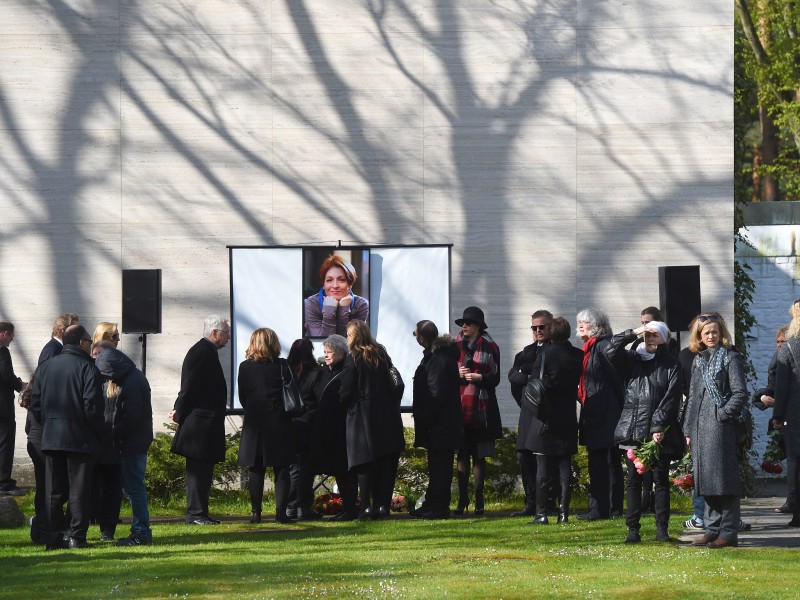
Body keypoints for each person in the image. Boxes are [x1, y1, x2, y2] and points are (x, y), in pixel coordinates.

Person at [30, 324, 105, 549]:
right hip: (80, 439)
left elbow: (36, 404)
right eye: (89, 342)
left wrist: (50, 425)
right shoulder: (88, 368)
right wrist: (98, 432)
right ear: (82, 342)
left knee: (53, 491)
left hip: (52, 438)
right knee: (79, 490)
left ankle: (52, 537)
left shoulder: (46, 367)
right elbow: (92, 407)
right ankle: (76, 537)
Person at [611, 321, 682, 543]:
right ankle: (633, 530)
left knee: (660, 481)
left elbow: (671, 399)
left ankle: (662, 529)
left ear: (664, 339)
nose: (650, 339)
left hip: (659, 432)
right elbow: (609, 349)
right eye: (647, 336)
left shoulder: (672, 365)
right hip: (633, 430)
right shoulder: (632, 360)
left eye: (655, 336)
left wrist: (658, 426)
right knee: (633, 480)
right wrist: (633, 333)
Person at [684, 312, 750, 548]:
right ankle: (712, 529)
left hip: (722, 429)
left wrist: (722, 415)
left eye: (714, 331)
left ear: (721, 333)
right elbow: (692, 397)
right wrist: (688, 429)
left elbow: (740, 393)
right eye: (706, 332)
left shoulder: (731, 358)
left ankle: (728, 532)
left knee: (725, 482)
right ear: (699, 336)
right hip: (701, 430)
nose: (711, 336)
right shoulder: (698, 360)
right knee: (707, 481)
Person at [340, 320, 404, 520]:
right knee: (386, 461)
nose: (347, 339)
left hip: (362, 416)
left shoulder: (353, 359)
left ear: (355, 337)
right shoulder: (382, 355)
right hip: (387, 414)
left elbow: (346, 391)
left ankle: (366, 506)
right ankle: (383, 506)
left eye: (348, 335)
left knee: (364, 462)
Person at [169, 315, 230, 526]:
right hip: (199, 423)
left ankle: (200, 512)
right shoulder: (201, 352)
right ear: (214, 333)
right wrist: (179, 410)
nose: (228, 337)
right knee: (197, 470)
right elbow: (189, 386)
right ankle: (195, 513)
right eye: (226, 333)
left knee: (204, 470)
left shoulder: (207, 351)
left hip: (205, 422)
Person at [521, 317, 583, 524]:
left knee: (542, 464)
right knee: (565, 464)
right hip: (567, 414)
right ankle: (564, 514)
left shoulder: (545, 353)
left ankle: (541, 514)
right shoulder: (578, 354)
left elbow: (535, 382)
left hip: (545, 415)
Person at [236, 328, 297, 524]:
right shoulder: (282, 365)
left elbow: (243, 396)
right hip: (279, 422)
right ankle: (280, 513)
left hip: (254, 423)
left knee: (256, 468)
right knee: (281, 469)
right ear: (273, 344)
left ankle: (256, 513)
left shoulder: (244, 367)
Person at [95, 348, 154, 546]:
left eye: (107, 374)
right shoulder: (133, 378)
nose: (107, 379)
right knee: (132, 488)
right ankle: (141, 530)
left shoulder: (131, 382)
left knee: (134, 489)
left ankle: (141, 532)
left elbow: (132, 417)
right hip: (134, 441)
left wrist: (114, 433)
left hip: (133, 443)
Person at [410, 320, 462, 520]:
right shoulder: (437, 358)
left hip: (441, 424)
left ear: (422, 337)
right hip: (441, 423)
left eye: (416, 335)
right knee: (437, 465)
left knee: (440, 466)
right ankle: (433, 502)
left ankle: (439, 505)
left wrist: (427, 419)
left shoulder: (437, 360)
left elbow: (436, 394)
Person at [575, 307, 624, 521]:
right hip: (595, 410)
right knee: (604, 460)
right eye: (579, 321)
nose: (580, 324)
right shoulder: (589, 349)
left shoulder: (603, 346)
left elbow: (614, 379)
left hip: (605, 411)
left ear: (596, 326)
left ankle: (602, 509)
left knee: (605, 460)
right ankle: (609, 508)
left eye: (584, 321)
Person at [453, 306, 502, 516]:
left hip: (482, 408)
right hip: (460, 406)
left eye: (469, 323)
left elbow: (496, 379)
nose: (464, 326)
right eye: (463, 322)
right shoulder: (453, 346)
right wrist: (457, 373)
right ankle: (462, 500)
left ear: (479, 326)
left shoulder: (491, 346)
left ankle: (479, 499)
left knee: (479, 455)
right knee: (462, 454)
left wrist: (480, 378)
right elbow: (446, 375)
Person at [308, 334, 358, 520]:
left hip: (341, 428)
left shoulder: (346, 370)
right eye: (325, 352)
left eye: (330, 352)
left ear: (341, 353)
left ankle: (350, 509)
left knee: (344, 470)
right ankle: (347, 508)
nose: (326, 355)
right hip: (328, 428)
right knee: (338, 470)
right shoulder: (325, 371)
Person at [508, 310, 553, 517]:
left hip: (547, 413)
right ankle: (531, 501)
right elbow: (512, 377)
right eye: (534, 328)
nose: (537, 331)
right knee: (523, 454)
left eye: (541, 327)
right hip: (528, 411)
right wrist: (529, 381)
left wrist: (526, 376)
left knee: (546, 458)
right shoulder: (526, 352)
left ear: (550, 327)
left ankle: (549, 501)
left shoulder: (556, 350)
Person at [753, 325, 797, 515]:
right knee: (792, 462)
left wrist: (780, 406)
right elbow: (772, 386)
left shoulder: (792, 359)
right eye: (777, 342)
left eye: (783, 341)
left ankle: (794, 503)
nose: (780, 345)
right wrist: (763, 398)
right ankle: (793, 502)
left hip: (792, 414)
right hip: (784, 416)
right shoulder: (776, 361)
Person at [89, 332, 123, 542]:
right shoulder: (98, 380)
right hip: (104, 441)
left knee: (108, 487)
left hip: (107, 442)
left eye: (98, 355)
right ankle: (104, 527)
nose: (95, 359)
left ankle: (106, 527)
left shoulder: (113, 383)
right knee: (104, 487)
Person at [286, 338, 323, 521]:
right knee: (306, 468)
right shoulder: (315, 373)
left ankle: (290, 506)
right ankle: (304, 507)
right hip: (309, 425)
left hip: (290, 424)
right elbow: (320, 400)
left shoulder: (286, 372)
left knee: (292, 468)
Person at [774, 301, 800, 528]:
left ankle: (797, 510)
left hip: (795, 411)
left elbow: (781, 385)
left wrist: (777, 414)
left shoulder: (790, 347)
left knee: (795, 460)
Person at [304, 255, 369, 337]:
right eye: (329, 280)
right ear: (323, 284)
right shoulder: (311, 303)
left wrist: (344, 309)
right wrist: (329, 311)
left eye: (341, 280)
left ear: (350, 284)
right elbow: (323, 341)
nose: (335, 285)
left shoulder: (361, 304)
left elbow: (352, 341)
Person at [0, 322, 26, 496]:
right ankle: (4, 482)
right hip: (2, 407)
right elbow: (6, 375)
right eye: (11, 337)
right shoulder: (2, 351)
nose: (10, 341)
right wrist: (21, 386)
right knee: (5, 444)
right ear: (4, 334)